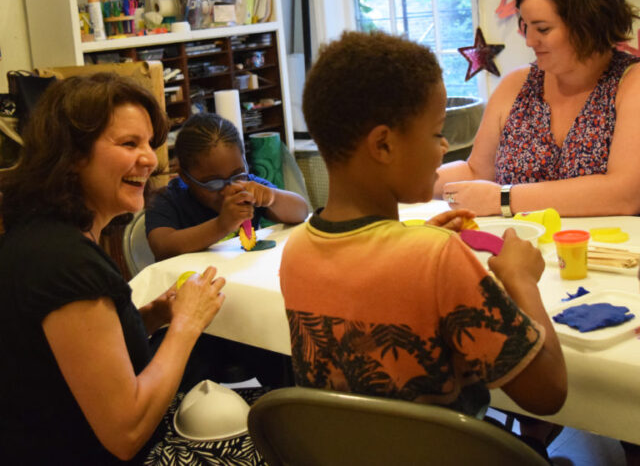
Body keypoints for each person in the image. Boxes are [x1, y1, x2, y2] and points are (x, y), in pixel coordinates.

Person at [279, 31, 567, 458]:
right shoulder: (436, 258)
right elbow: (547, 392)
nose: (445, 146)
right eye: (436, 133)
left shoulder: (297, 250)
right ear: (384, 144)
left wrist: (420, 240)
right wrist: (522, 279)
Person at [0, 73, 226, 465]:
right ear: (71, 155)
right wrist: (187, 324)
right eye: (129, 143)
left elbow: (67, 355)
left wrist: (150, 318)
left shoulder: (46, 237)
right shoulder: (64, 263)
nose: (150, 159)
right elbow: (126, 431)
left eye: (150, 144)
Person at [435, 0, 640, 217]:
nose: (530, 40)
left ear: (588, 25)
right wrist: (404, 181)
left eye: (542, 29)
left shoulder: (631, 84)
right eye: (525, 26)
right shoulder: (516, 85)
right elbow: (477, 171)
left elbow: (623, 195)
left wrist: (503, 199)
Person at [146, 112, 308, 260]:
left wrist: (272, 197)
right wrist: (222, 225)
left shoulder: (247, 187)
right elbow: (163, 247)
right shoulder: (166, 200)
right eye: (213, 182)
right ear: (185, 177)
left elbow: (301, 211)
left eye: (237, 174)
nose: (229, 188)